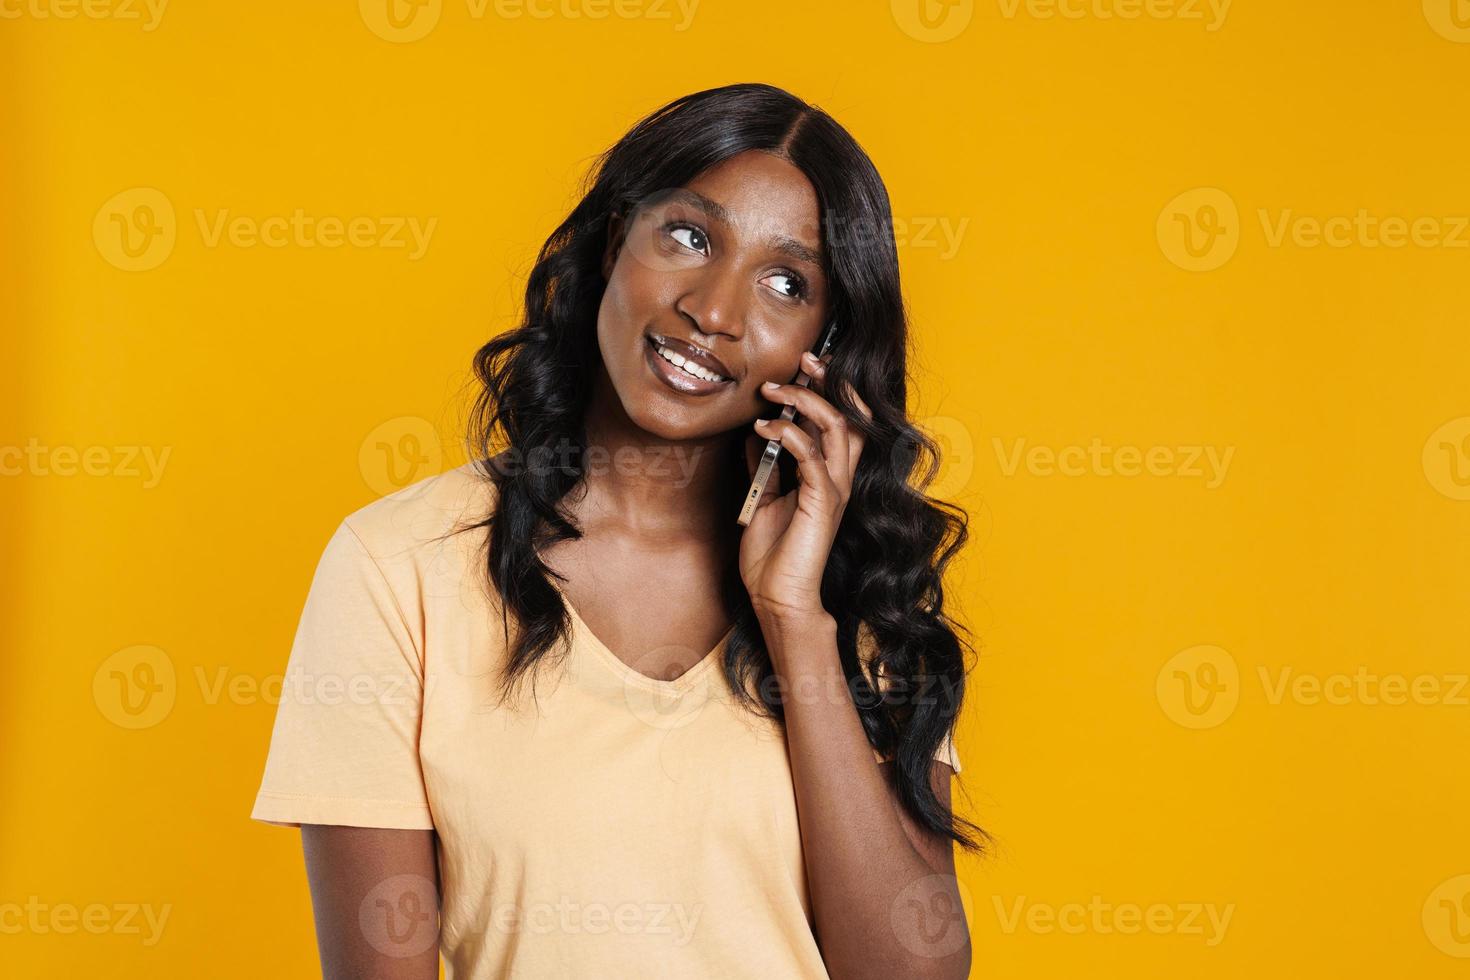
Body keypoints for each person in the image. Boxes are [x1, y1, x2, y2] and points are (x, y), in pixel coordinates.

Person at [251, 81, 985, 979]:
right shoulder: (397, 568)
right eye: (689, 236)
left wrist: (796, 619)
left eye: (785, 282)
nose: (713, 311)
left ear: (820, 350)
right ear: (614, 240)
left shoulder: (852, 591)